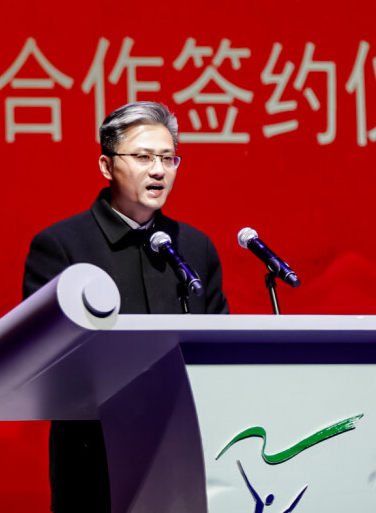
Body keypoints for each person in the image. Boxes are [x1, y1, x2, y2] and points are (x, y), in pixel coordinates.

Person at [22, 100, 229, 513]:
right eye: (143, 157)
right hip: (94, 462)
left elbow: (220, 347)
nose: (159, 170)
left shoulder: (194, 248)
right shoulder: (61, 246)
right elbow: (43, 361)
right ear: (106, 165)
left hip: (187, 454)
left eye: (168, 158)